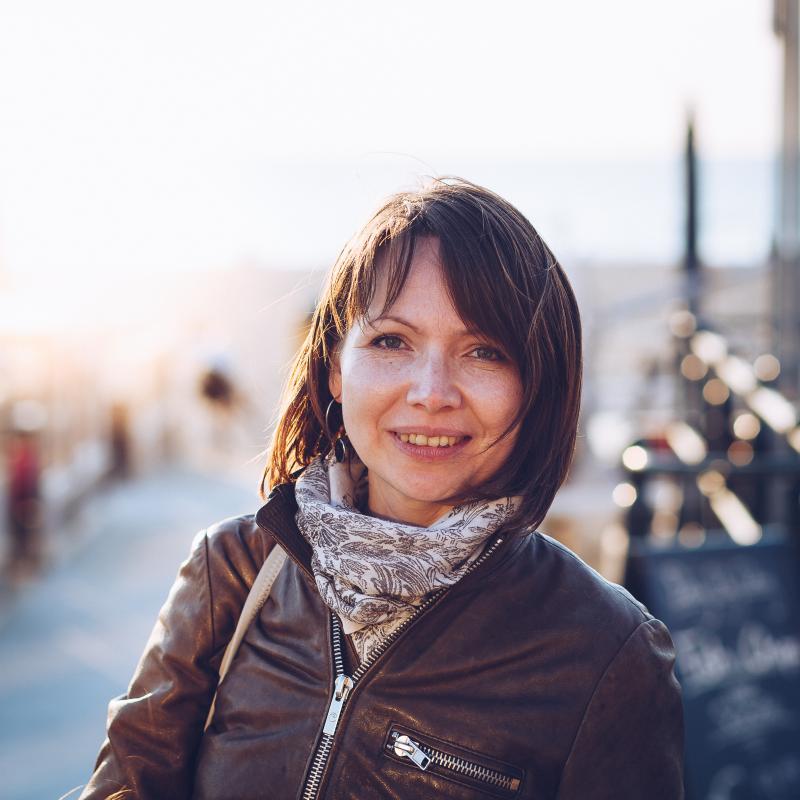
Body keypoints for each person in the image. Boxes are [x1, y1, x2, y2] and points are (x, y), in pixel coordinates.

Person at [79, 178, 684, 799]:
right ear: (336, 367)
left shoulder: (606, 652)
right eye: (391, 341)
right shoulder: (231, 573)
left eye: (483, 351)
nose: (431, 391)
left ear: (538, 385)